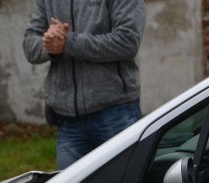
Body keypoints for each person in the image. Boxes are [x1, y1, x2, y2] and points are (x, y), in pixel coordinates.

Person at [23, 0, 146, 169]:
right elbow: (30, 45)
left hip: (115, 114)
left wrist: (68, 43)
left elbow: (128, 41)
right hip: (68, 122)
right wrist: (50, 43)